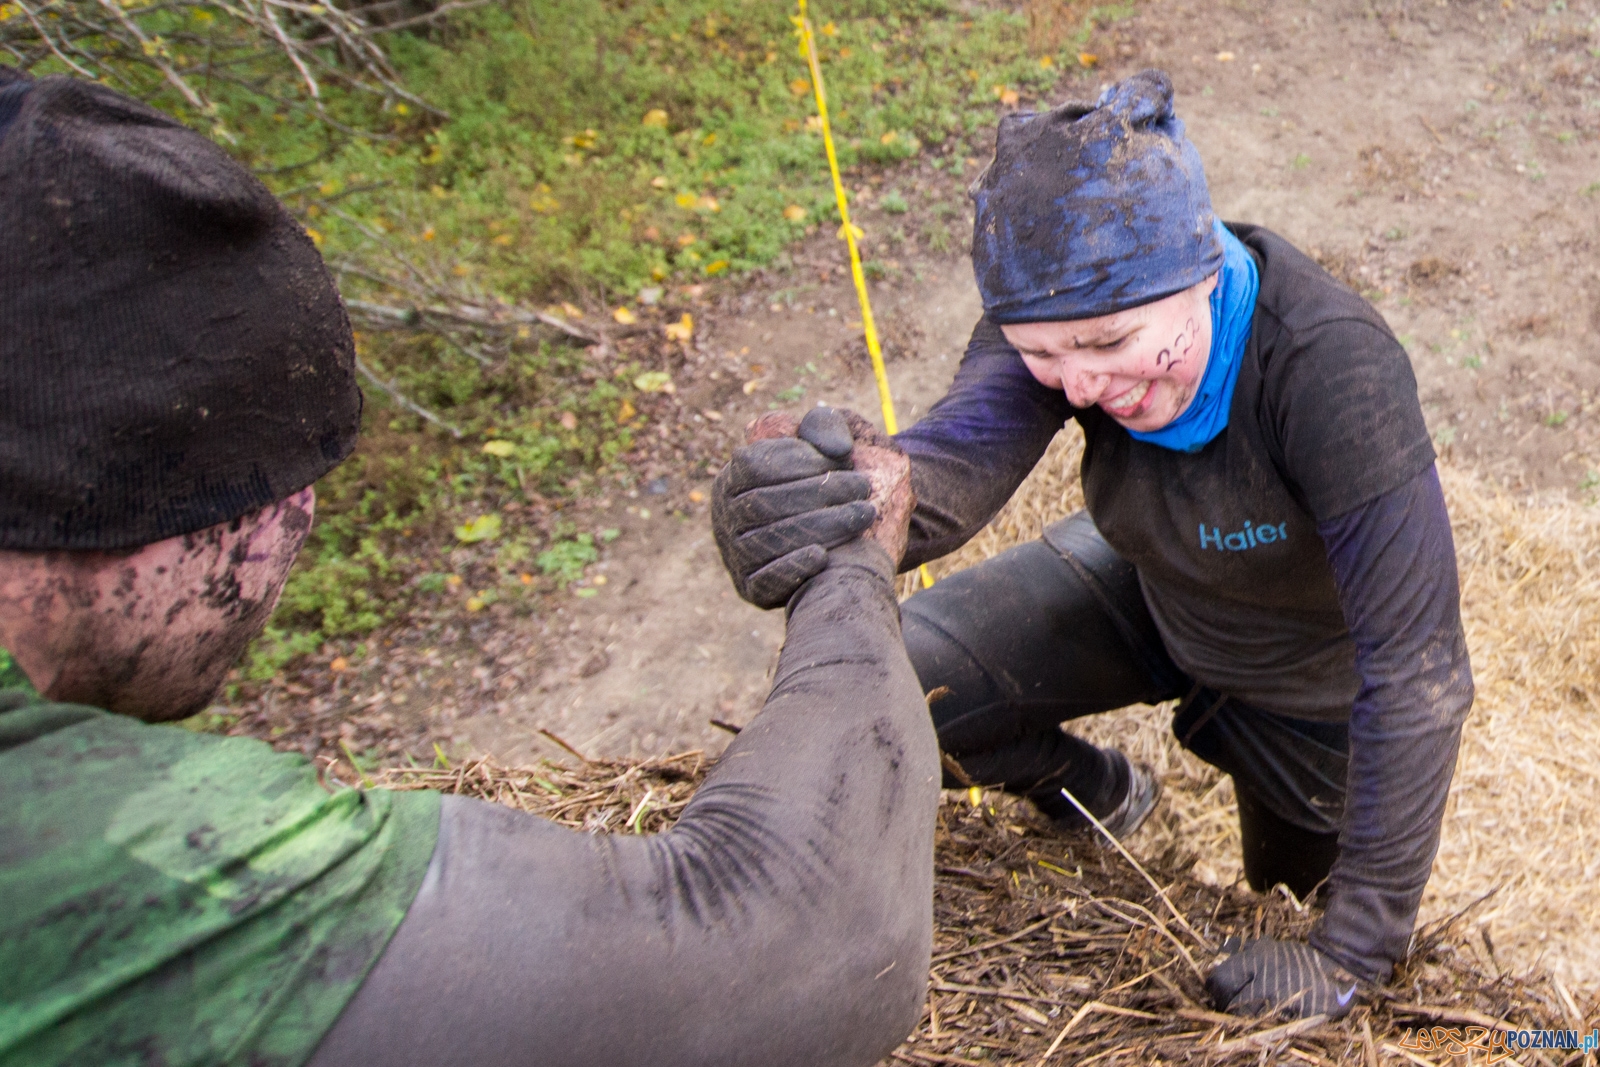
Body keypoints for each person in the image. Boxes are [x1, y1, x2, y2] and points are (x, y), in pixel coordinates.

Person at [0, 68, 938, 1067]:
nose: (304, 517)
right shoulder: (80, 839)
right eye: (281, 479)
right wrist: (849, 561)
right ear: (122, 493)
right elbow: (795, 941)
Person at [712, 70, 1474, 1020]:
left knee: (1285, 897)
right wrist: (827, 505)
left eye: (1111, 344)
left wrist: (1352, 951)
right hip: (1148, 584)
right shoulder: (1059, 307)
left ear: (1203, 271)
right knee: (902, 687)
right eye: (1041, 355)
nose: (1078, 387)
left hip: (1305, 682)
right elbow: (943, 476)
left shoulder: (1332, 371)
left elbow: (1418, 669)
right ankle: (1092, 788)